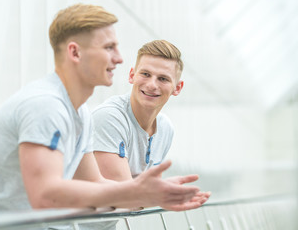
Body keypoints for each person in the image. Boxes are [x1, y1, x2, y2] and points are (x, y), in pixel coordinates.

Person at [0, 4, 209, 219]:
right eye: (108, 48)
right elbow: (46, 196)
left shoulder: (79, 114)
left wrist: (150, 194)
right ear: (75, 53)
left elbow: (96, 184)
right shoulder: (46, 105)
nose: (118, 58)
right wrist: (138, 193)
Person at [78, 40, 205, 230]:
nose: (152, 84)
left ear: (177, 88)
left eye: (163, 79)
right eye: (145, 74)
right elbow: (124, 197)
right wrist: (163, 195)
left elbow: (139, 193)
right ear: (132, 75)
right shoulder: (109, 118)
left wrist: (158, 192)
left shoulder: (165, 129)